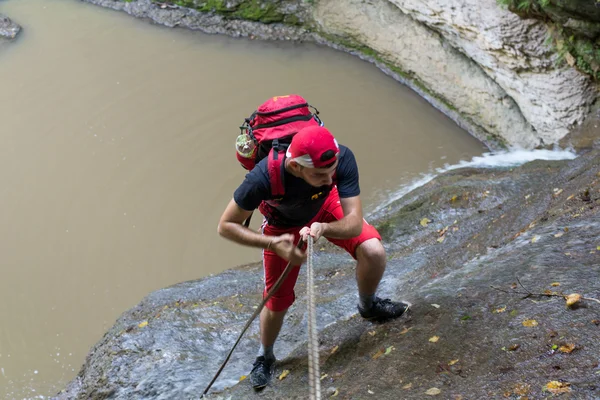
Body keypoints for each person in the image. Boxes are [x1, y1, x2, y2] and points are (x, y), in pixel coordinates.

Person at [217, 125, 408, 390]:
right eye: (320, 174)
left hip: (325, 206)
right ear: (295, 167)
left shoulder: (341, 158)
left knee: (373, 251)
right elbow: (226, 226)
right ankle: (265, 356)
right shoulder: (263, 177)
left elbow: (353, 222)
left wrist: (325, 228)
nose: (331, 179)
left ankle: (368, 305)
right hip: (281, 225)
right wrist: (273, 243)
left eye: (332, 171)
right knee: (276, 300)